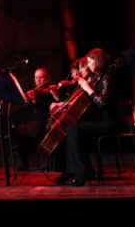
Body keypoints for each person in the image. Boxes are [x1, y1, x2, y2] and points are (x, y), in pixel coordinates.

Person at [52, 49, 119, 187]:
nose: (88, 65)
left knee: (74, 130)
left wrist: (88, 89)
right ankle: (74, 172)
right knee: (68, 129)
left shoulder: (107, 77)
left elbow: (103, 103)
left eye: (89, 62)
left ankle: (81, 172)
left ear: (97, 61)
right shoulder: (97, 78)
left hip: (110, 122)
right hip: (98, 120)